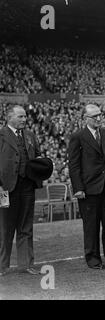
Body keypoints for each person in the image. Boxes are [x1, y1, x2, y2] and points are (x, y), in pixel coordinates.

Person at [67, 104, 105, 270]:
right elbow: (74, 164)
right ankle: (93, 258)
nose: (98, 118)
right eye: (94, 116)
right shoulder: (78, 136)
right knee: (91, 225)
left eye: (100, 115)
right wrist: (78, 188)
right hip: (88, 189)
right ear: (86, 118)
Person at [0, 105, 43, 276]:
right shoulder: (1, 135)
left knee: (26, 226)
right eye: (20, 117)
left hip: (27, 186)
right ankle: (2, 266)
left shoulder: (30, 135)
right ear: (9, 117)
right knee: (5, 227)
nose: (24, 120)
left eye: (25, 117)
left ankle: (26, 265)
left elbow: (38, 155)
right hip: (5, 188)